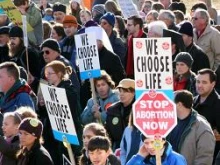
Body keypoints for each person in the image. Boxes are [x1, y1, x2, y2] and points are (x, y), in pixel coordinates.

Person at [43, 60, 82, 164]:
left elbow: (73, 112)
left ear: (59, 74)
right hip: (54, 136)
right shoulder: (51, 90)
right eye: (46, 74)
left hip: (68, 136)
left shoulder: (69, 90)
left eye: (50, 74)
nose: (47, 77)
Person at [167, 90, 215, 165]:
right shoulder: (169, 122)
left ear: (179, 104)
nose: (167, 105)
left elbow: (204, 158)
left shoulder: (202, 128)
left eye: (170, 102)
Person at [193, 68, 220, 161]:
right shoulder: (192, 101)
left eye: (204, 82)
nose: (199, 85)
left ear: (213, 84)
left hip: (211, 156)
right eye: (198, 81)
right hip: (192, 153)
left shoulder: (218, 104)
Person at [106, 79, 135, 150]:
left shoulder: (140, 109)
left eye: (125, 91)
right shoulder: (112, 110)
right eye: (120, 91)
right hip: (118, 149)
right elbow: (108, 134)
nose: (121, 94)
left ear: (133, 92)